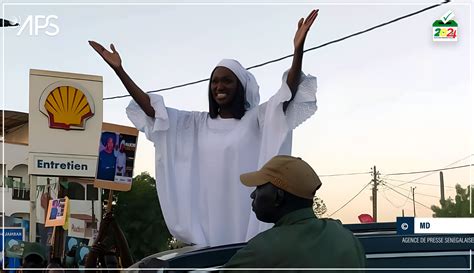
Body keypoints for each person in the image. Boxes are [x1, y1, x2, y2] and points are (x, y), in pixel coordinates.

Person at [89, 9, 319, 246]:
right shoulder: (197, 124)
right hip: (209, 231)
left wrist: (297, 52)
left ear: (240, 86)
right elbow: (154, 111)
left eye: (227, 80)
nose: (219, 86)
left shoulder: (257, 120)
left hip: (248, 226)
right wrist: (120, 71)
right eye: (215, 81)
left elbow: (286, 96)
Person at [223, 155, 367, 270]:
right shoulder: (347, 238)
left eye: (259, 187)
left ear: (278, 197)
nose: (253, 195)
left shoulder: (264, 249)